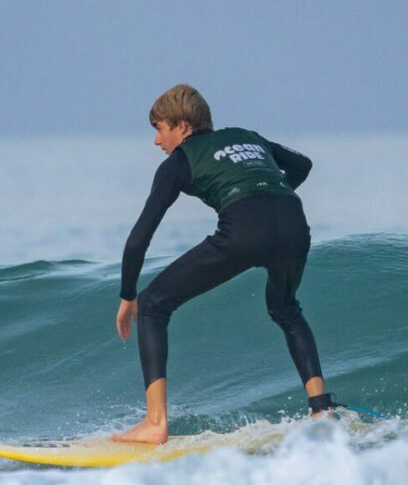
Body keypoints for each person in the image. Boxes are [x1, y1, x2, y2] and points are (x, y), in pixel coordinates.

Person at [113, 83, 331, 444]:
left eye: (159, 128)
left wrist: (127, 294)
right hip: (295, 226)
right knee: (286, 308)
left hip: (245, 229)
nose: (156, 141)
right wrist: (272, 190)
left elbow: (139, 237)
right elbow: (303, 164)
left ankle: (154, 423)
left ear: (182, 126)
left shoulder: (180, 161)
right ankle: (321, 409)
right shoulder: (247, 137)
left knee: (152, 304)